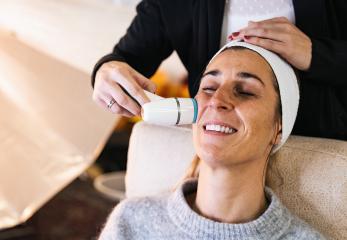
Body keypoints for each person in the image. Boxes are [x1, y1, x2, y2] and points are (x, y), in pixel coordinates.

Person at [97, 41, 326, 239]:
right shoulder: (131, 223)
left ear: (279, 127)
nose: (217, 100)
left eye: (245, 91)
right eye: (208, 87)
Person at [91, 0, 347, 141]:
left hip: (325, 147)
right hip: (220, 142)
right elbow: (127, 59)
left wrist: (316, 54)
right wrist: (107, 71)